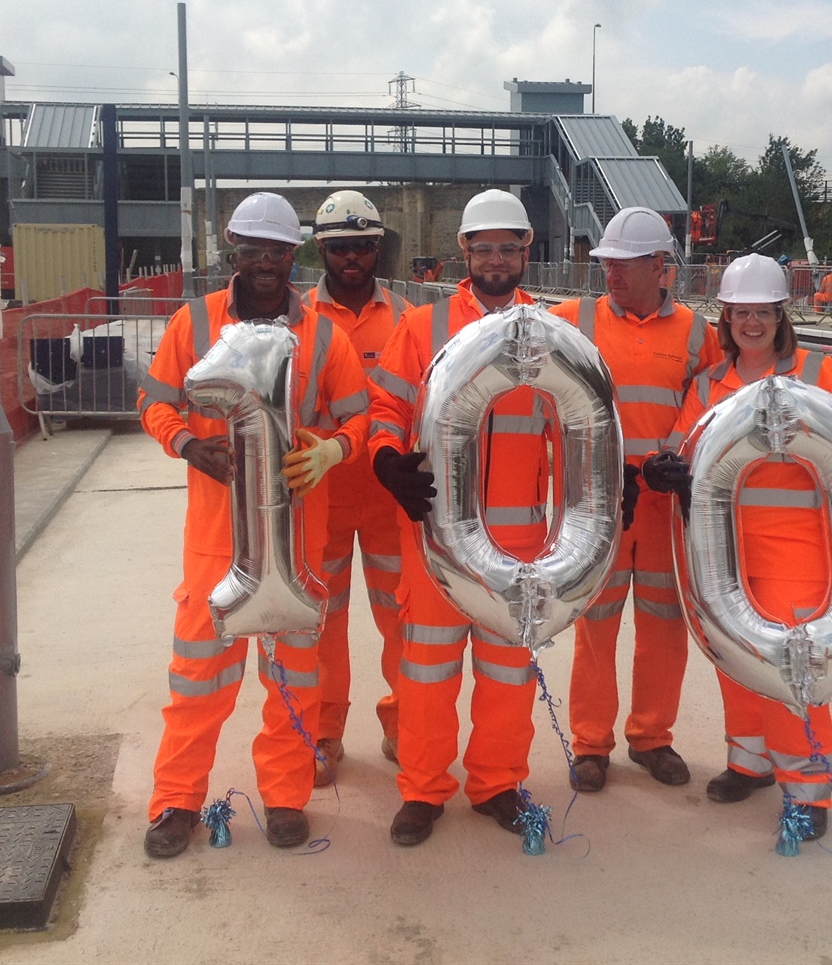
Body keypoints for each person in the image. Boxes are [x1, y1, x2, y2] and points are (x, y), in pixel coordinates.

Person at [641, 252, 832, 840]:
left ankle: (810, 792)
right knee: (738, 656)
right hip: (728, 550)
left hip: (800, 552)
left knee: (797, 664)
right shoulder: (710, 385)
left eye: (762, 313)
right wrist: (659, 470)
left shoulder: (818, 374)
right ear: (727, 319)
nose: (751, 324)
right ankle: (750, 761)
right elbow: (677, 447)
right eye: (741, 313)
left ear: (780, 315)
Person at [137, 192, 370, 858]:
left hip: (299, 542)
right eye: (252, 248)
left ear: (292, 254)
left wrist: (332, 449)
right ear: (231, 248)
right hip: (217, 544)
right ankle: (177, 801)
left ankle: (287, 798)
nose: (264, 261)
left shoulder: (327, 336)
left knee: (294, 676)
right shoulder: (194, 323)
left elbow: (363, 419)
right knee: (197, 680)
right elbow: (153, 404)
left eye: (276, 250)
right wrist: (188, 445)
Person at [367, 188, 549, 846]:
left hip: (519, 535)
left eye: (509, 247)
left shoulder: (552, 334)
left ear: (526, 251)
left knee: (507, 673)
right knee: (427, 672)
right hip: (435, 535)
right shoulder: (421, 328)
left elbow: (576, 426)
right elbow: (385, 409)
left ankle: (497, 782)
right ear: (463, 252)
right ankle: (422, 789)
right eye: (484, 248)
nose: (496, 260)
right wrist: (386, 459)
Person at [548, 207, 722, 794]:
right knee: (595, 622)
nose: (611, 274)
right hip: (603, 503)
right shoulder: (575, 319)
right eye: (607, 263)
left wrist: (682, 458)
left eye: (623, 264)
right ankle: (591, 744)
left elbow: (715, 405)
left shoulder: (698, 334)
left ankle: (652, 737)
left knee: (664, 624)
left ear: (660, 266)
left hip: (664, 507)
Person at [302, 190, 410, 785]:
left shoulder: (404, 318)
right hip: (320, 499)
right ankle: (323, 733)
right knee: (323, 623)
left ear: (377, 249)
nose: (352, 258)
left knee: (402, 621)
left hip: (388, 500)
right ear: (322, 249)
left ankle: (403, 723)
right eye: (340, 247)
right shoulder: (298, 320)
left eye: (362, 247)